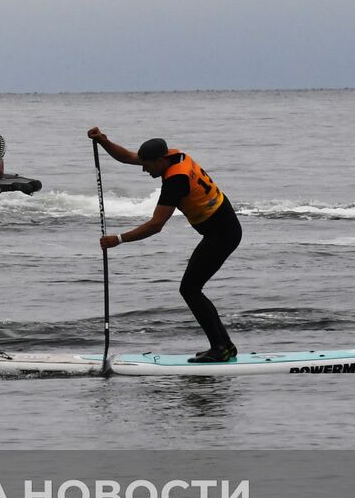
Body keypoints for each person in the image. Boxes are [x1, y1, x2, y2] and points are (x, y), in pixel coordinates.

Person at [87, 128, 242, 362]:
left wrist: (118, 239)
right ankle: (225, 346)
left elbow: (156, 225)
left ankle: (221, 347)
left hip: (223, 234)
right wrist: (104, 141)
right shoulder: (173, 155)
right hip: (220, 230)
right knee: (191, 289)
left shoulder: (176, 180)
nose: (143, 169)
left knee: (190, 289)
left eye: (147, 165)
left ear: (160, 160)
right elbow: (128, 157)